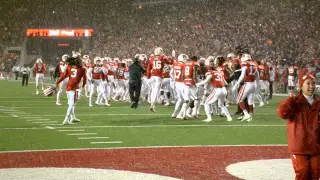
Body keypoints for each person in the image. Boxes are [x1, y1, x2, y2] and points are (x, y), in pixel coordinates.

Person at [277, 73, 320, 180]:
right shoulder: (295, 102)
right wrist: (290, 100)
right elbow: (282, 113)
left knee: (316, 172)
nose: (311, 86)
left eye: (313, 83)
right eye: (308, 83)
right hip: (299, 147)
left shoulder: (318, 103)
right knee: (303, 172)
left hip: (316, 146)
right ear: (301, 86)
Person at [56, 56, 87, 125]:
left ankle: (72, 118)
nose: (82, 62)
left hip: (68, 87)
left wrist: (57, 82)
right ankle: (66, 119)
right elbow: (85, 79)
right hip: (74, 88)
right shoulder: (82, 69)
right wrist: (83, 85)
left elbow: (63, 76)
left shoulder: (69, 67)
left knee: (71, 104)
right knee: (71, 104)